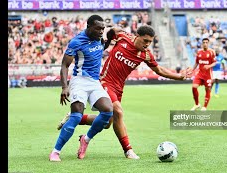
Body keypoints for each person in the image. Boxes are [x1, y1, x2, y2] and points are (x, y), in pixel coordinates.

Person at [57, 25, 192, 160]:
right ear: (137, 36)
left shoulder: (145, 55)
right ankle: (128, 150)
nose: (147, 44)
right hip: (104, 81)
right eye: (145, 40)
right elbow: (110, 33)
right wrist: (111, 35)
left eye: (150, 42)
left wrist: (179, 76)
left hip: (119, 88)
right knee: (119, 111)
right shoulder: (123, 38)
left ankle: (75, 118)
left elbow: (159, 71)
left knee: (107, 123)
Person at [49, 15, 113, 162]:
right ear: (88, 26)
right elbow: (65, 65)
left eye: (103, 28)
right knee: (77, 115)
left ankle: (86, 139)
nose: (101, 31)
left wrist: (111, 36)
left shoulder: (99, 38)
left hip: (94, 82)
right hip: (79, 81)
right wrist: (65, 87)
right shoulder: (76, 42)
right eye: (98, 28)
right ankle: (55, 152)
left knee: (108, 111)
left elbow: (102, 46)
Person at [190, 38, 217, 111]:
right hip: (200, 74)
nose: (205, 44)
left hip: (208, 75)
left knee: (207, 89)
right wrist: (192, 70)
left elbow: (215, 62)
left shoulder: (212, 52)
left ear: (208, 43)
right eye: (204, 42)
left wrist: (209, 66)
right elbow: (196, 62)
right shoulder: (199, 52)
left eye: (206, 42)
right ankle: (197, 104)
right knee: (194, 87)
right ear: (202, 44)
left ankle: (204, 106)